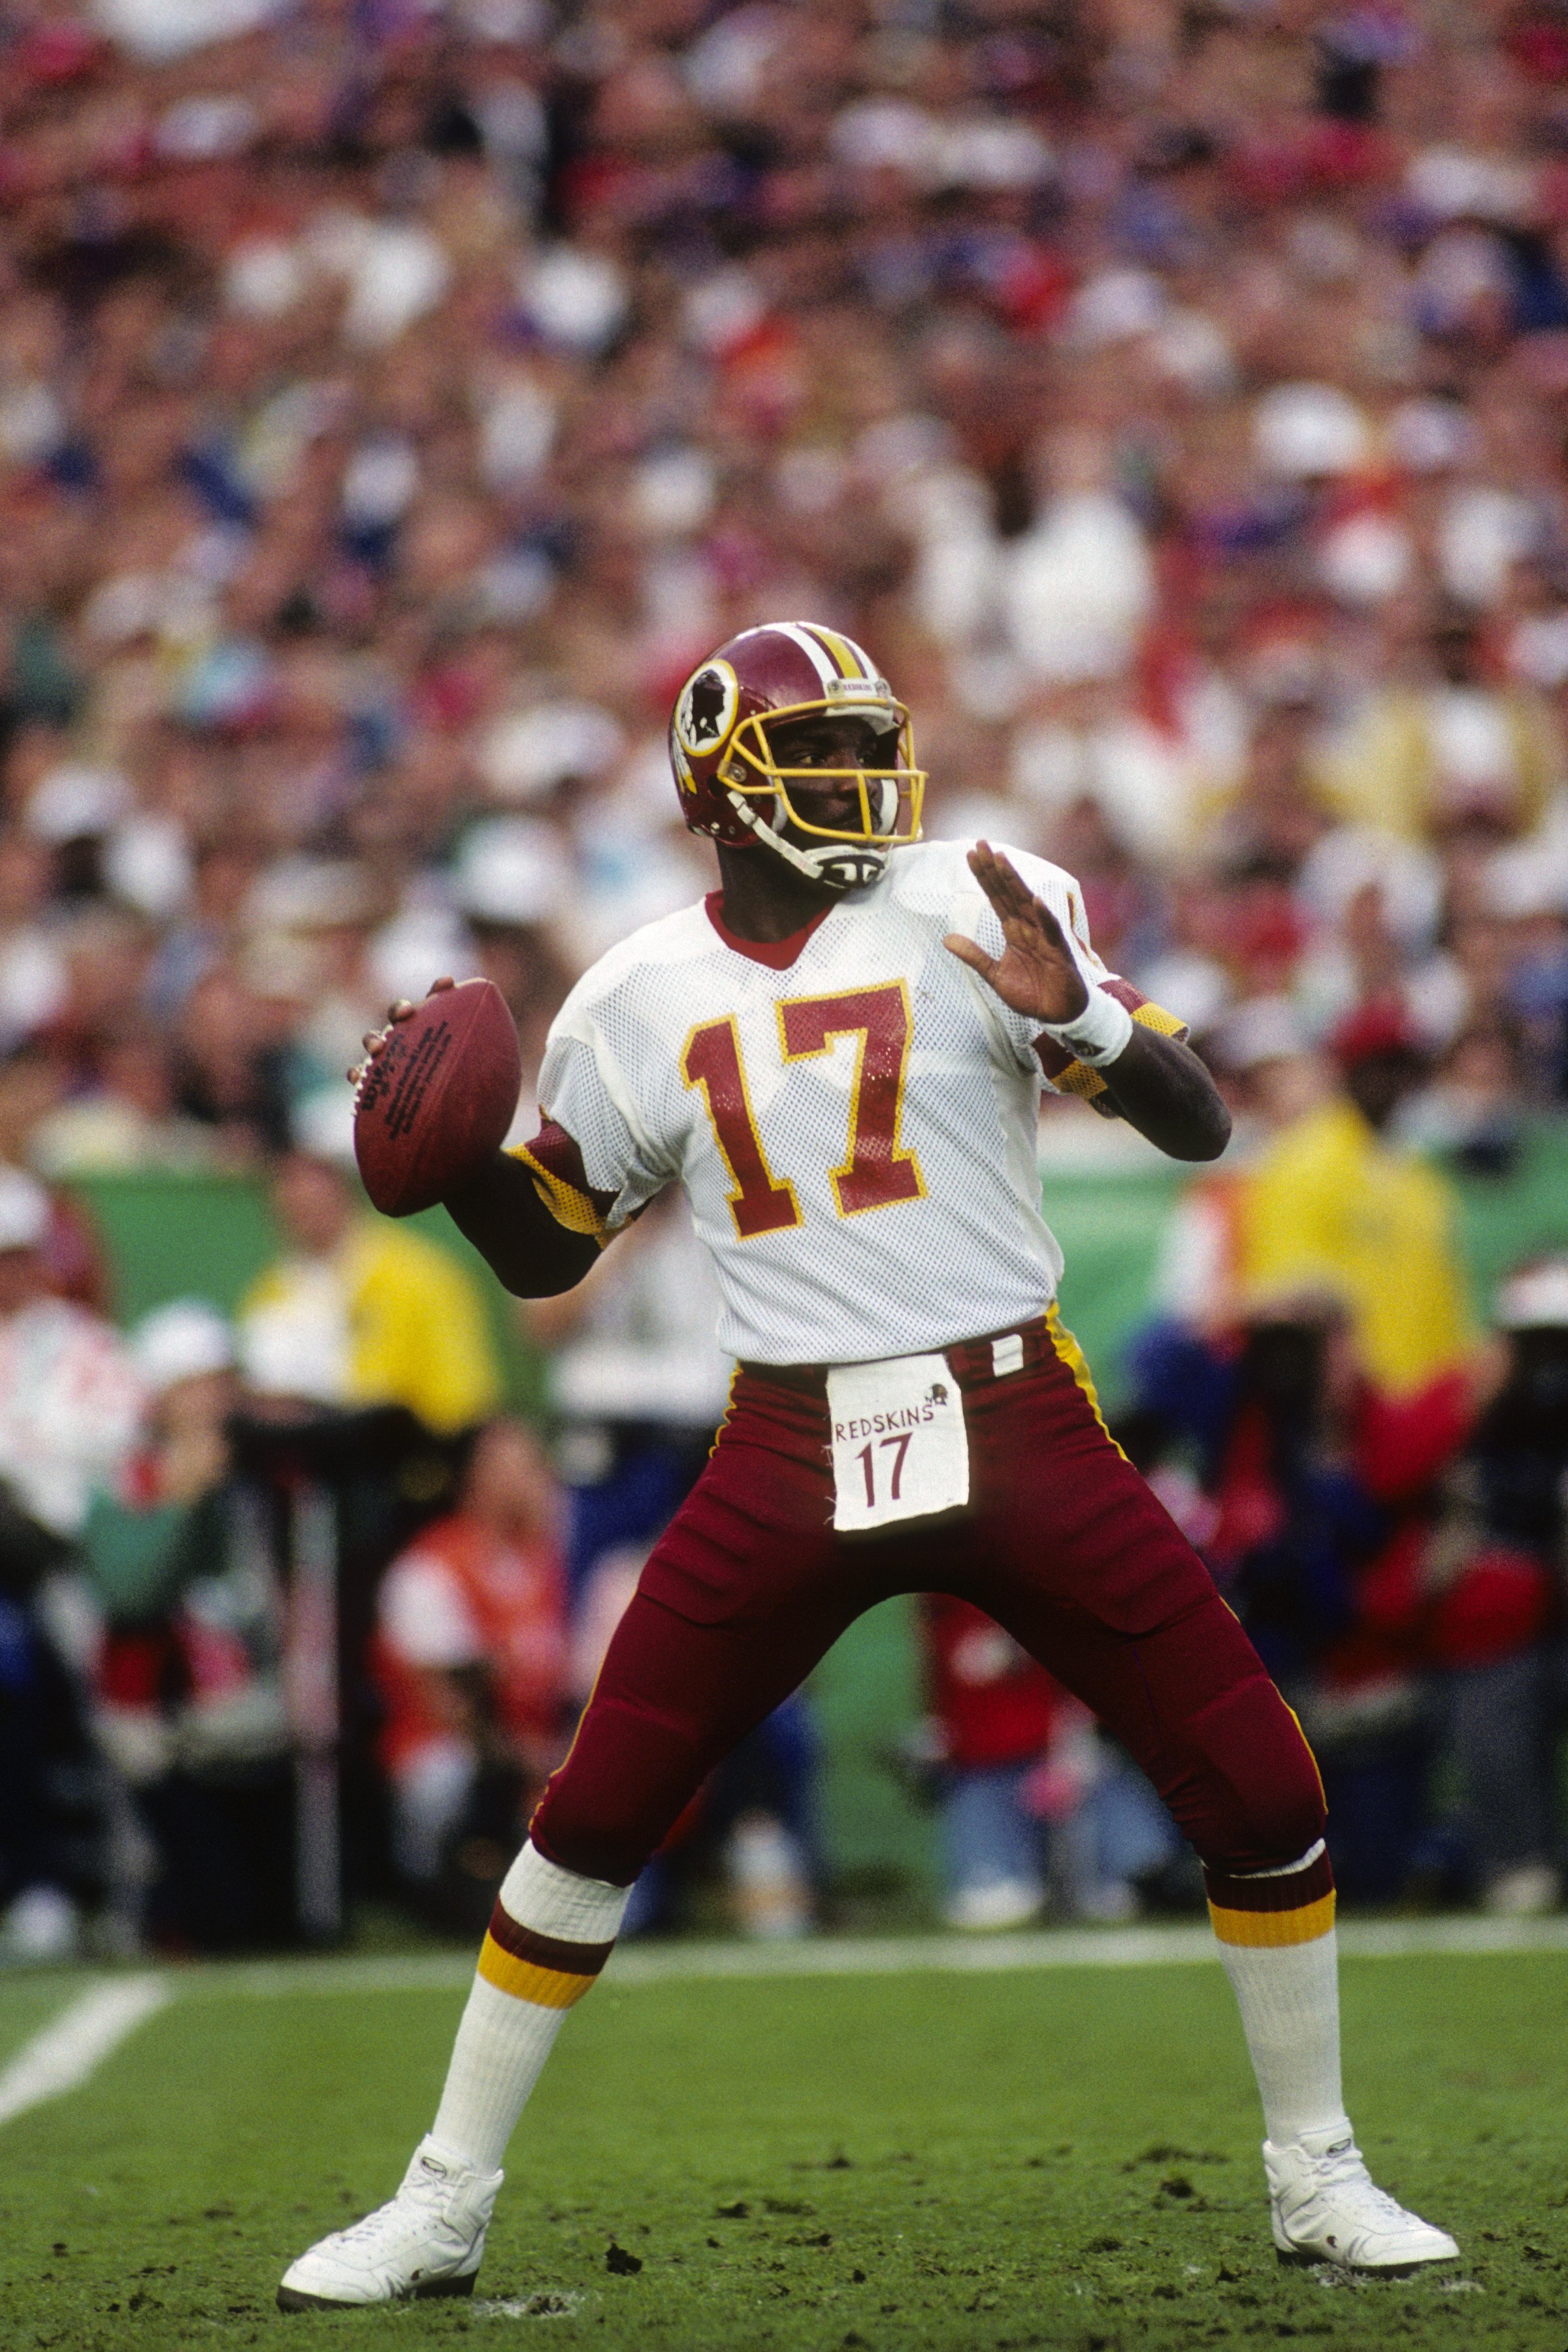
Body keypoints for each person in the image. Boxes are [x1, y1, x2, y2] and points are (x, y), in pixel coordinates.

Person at [280, 623, 1458, 2310]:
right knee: (595, 1806)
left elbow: (1201, 1122)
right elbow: (551, 1248)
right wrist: (462, 1166)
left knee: (1264, 1783)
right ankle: (442, 2197)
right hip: (786, 1436)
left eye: (860, 744)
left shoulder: (981, 896)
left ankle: (1320, 2168)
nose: (855, 780)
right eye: (815, 751)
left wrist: (1098, 1029)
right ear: (721, 786)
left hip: (1014, 1404)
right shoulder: (634, 990)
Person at [373, 1417, 570, 1923]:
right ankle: (434, 1889)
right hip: (462, 1751)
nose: (535, 1479)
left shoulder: (556, 1558)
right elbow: (450, 1704)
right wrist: (536, 1759)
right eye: (516, 1466)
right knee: (447, 1778)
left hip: (547, 1746)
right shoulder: (432, 1566)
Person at [238, 1094, 502, 1437]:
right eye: (290, 1179)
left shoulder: (424, 1276)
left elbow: (463, 1404)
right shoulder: (270, 1292)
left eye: (315, 1177)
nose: (302, 1196)